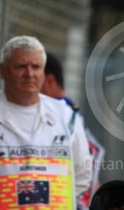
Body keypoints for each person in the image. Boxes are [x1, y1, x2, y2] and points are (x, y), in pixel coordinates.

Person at [0, 36, 92, 209]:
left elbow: (83, 172)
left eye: (36, 67)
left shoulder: (66, 115)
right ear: (3, 71)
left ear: (43, 72)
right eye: (21, 67)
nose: (29, 74)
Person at [41, 53, 105, 210]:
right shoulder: (71, 115)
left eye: (35, 74)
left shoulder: (62, 119)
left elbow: (86, 176)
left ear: (48, 81)